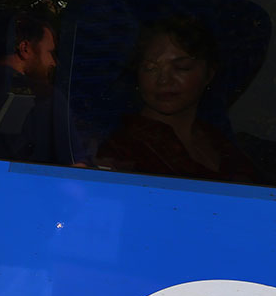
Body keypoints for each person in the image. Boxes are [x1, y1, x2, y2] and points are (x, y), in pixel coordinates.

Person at [95, 16, 256, 182]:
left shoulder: (216, 139)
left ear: (209, 74)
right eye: (150, 68)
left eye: (181, 67)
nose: (164, 80)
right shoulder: (123, 150)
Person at [0, 8, 72, 164]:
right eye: (50, 52)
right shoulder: (46, 98)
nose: (53, 62)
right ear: (25, 49)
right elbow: (71, 164)